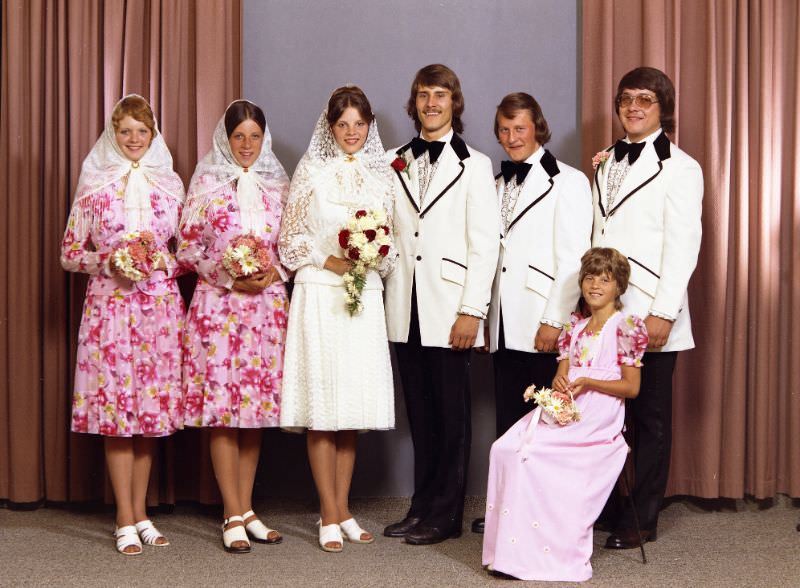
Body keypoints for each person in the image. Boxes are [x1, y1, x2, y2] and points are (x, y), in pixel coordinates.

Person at [61, 94, 185, 555]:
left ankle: (142, 513)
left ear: (153, 136)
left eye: (142, 131)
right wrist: (108, 260)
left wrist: (159, 261)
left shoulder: (169, 185)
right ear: (113, 135)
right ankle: (123, 517)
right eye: (126, 131)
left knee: (148, 414)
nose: (134, 139)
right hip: (110, 312)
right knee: (117, 415)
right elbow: (70, 254)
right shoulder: (94, 187)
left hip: (158, 311)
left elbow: (183, 253)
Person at [383, 64, 500, 545]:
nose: (431, 103)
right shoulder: (391, 160)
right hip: (402, 305)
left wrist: (472, 311)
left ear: (455, 102)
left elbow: (485, 244)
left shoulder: (475, 165)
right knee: (421, 415)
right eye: (423, 95)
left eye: (440, 95)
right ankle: (422, 505)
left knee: (453, 417)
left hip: (450, 307)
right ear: (414, 103)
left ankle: (447, 515)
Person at [482, 247, 648, 582]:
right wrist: (561, 382)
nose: (595, 285)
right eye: (590, 277)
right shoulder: (575, 328)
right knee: (506, 448)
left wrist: (589, 380)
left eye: (605, 279)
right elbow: (564, 374)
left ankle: (547, 555)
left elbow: (631, 388)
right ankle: (514, 553)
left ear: (619, 286)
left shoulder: (626, 326)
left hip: (597, 417)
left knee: (536, 454)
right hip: (568, 409)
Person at [278, 86, 396, 553]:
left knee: (352, 412)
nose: (351, 133)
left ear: (369, 128)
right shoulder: (312, 171)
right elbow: (290, 240)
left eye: (359, 125)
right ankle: (327, 512)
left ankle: (344, 509)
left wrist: (371, 257)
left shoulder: (382, 175)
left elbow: (393, 244)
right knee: (324, 409)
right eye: (342, 125)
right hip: (320, 294)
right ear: (330, 128)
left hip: (364, 295)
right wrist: (331, 261)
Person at [591, 67, 703, 549]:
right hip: (604, 312)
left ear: (662, 108)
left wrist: (665, 312)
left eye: (645, 99)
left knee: (651, 418)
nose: (633, 106)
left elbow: (684, 246)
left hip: (651, 312)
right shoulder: (605, 160)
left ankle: (644, 517)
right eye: (626, 98)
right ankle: (616, 505)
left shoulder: (682, 168)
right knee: (607, 411)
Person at [473, 92, 592, 534]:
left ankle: (546, 514)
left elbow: (574, 259)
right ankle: (510, 509)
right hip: (505, 322)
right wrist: (487, 320)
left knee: (548, 421)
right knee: (510, 419)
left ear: (537, 127)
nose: (511, 138)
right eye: (503, 130)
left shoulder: (570, 181)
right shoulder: (497, 184)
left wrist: (554, 320)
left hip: (543, 321)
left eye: (519, 128)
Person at [178, 100, 289, 554]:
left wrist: (273, 271)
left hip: (264, 310)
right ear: (225, 140)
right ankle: (231, 512)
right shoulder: (206, 185)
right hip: (219, 309)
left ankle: (247, 510)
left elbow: (292, 243)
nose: (246, 145)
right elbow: (185, 249)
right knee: (223, 412)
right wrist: (228, 273)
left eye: (254, 137)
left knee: (253, 414)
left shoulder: (276, 186)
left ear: (265, 140)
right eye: (238, 137)